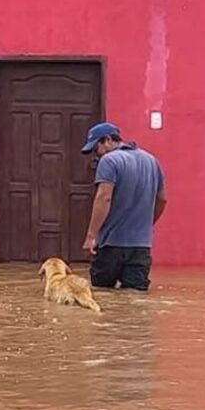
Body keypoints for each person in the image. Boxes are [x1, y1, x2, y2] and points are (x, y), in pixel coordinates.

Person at [80, 122, 166, 291]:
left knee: (103, 297)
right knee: (135, 301)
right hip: (141, 247)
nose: (95, 156)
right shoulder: (152, 161)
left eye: (95, 149)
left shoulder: (109, 161)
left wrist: (90, 236)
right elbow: (162, 200)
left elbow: (104, 198)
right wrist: (147, 226)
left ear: (107, 140)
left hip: (111, 245)